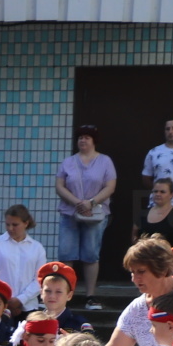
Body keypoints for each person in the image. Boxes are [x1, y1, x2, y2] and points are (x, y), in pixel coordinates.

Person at [54, 128, 117, 310]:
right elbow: (59, 186)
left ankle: (90, 295)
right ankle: (65, 293)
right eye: (80, 137)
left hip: (95, 213)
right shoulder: (68, 161)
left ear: (94, 141)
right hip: (70, 212)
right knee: (66, 254)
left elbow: (110, 186)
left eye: (87, 137)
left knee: (90, 254)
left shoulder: (105, 161)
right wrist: (77, 202)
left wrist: (91, 202)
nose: (83, 140)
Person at [0, 205, 45, 315]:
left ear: (26, 223)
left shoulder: (37, 248)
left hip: (29, 306)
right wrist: (5, 298)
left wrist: (21, 299)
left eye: (15, 225)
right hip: (0, 305)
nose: (10, 228)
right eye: (7, 224)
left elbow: (39, 279)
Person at [133, 177, 173, 250]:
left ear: (171, 195)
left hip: (168, 259)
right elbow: (134, 238)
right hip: (145, 258)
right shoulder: (142, 214)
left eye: (162, 192)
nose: (158, 194)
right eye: (155, 191)